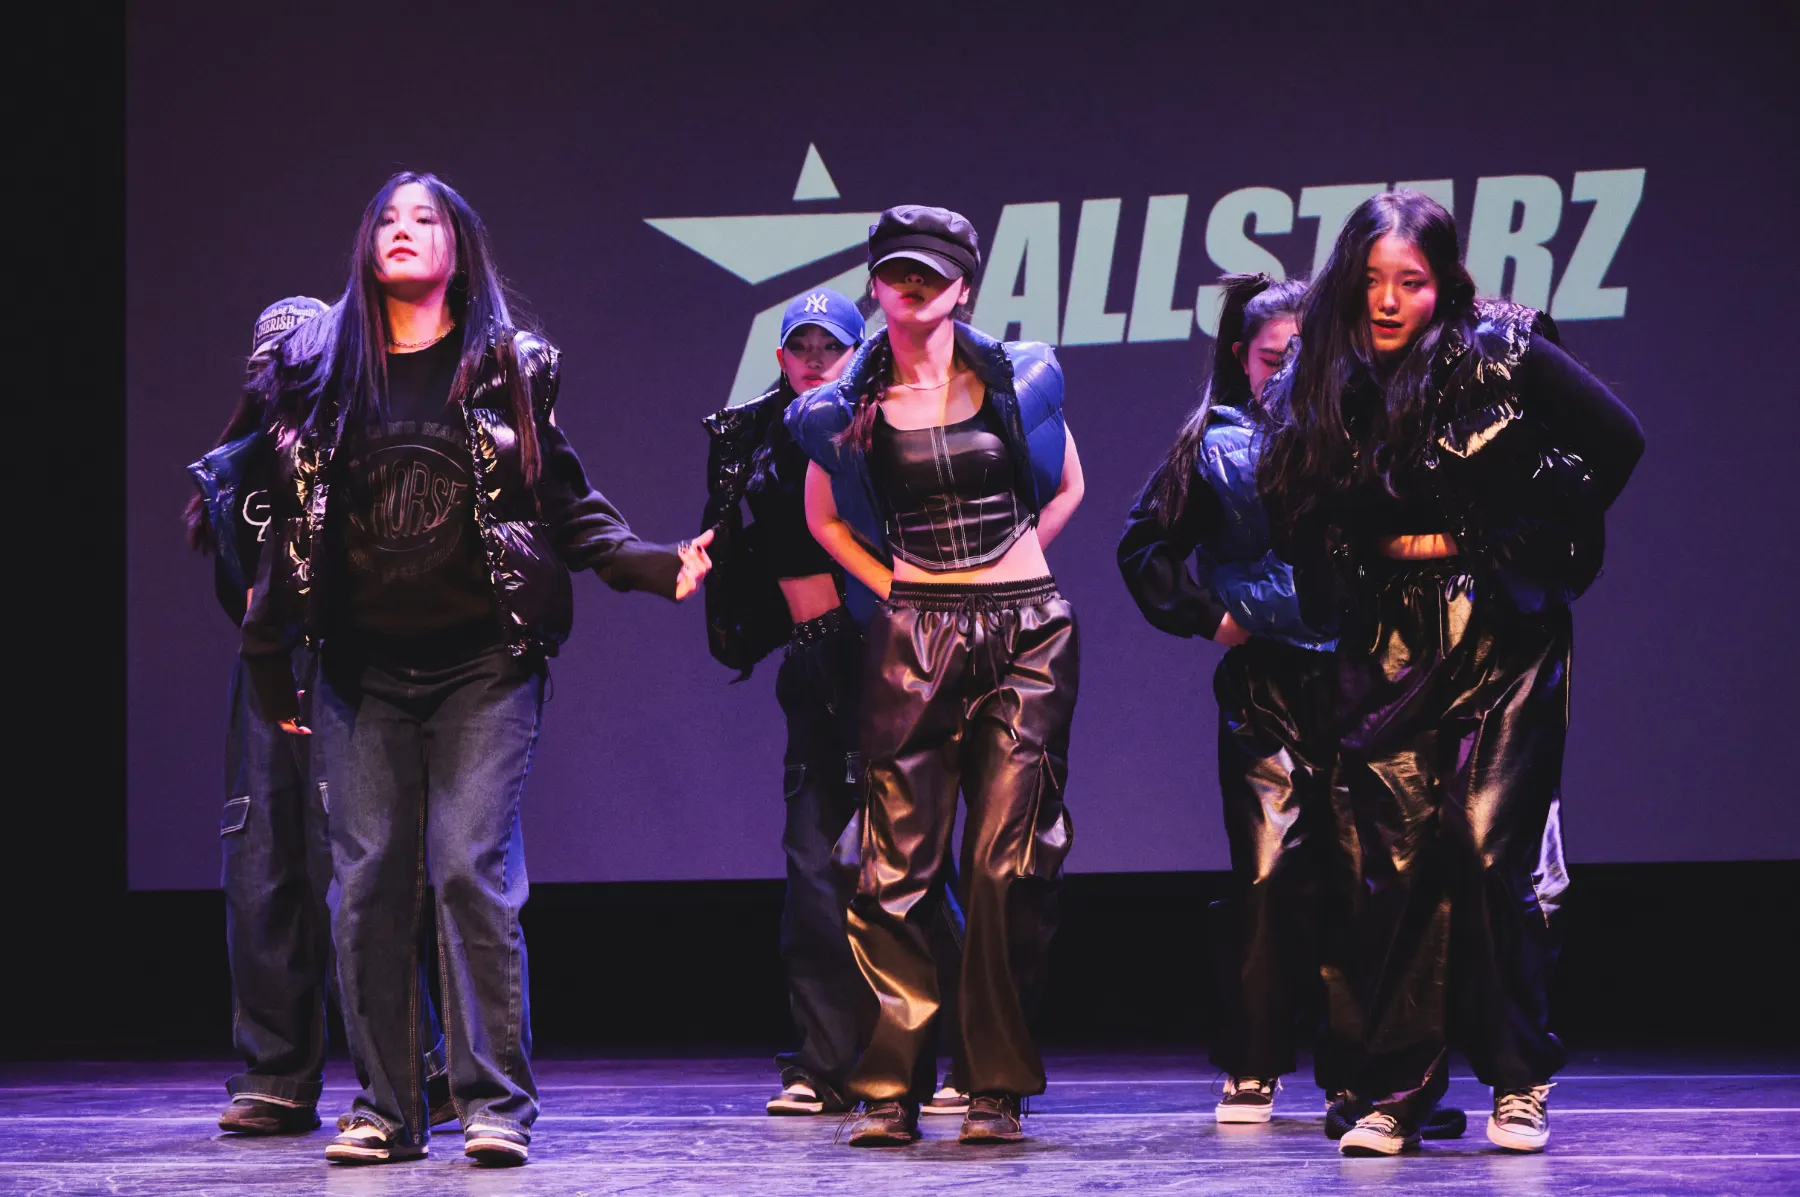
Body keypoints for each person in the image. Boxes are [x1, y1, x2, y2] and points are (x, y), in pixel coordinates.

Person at [240, 171, 713, 1167]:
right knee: (366, 887)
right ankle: (387, 1108)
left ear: (459, 248)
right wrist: (271, 653)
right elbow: (291, 522)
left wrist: (651, 564)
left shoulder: (505, 369)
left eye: (425, 219)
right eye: (387, 219)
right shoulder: (326, 373)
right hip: (361, 672)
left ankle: (494, 1105)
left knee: (466, 870)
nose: (403, 231)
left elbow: (562, 499)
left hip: (484, 667)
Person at [1256, 191, 1643, 1155]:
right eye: (1374, 280)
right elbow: (1288, 495)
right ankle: (1396, 1092)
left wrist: (1538, 535)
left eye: (1413, 282)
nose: (1390, 301)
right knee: (1388, 865)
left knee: (1483, 849)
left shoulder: (1501, 349)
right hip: (1385, 634)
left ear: (1445, 283)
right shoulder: (1320, 374)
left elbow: (1618, 438)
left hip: (1501, 625)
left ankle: (1519, 1079)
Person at [1118, 274, 1472, 1141]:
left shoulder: (1358, 432)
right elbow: (1144, 543)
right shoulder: (1212, 442)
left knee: (1367, 875)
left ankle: (1364, 1074)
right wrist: (1209, 616)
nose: (1285, 371)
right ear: (1242, 358)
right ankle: (1254, 1058)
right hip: (1267, 684)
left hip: (1368, 676)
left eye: (1302, 355)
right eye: (1271, 357)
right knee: (1269, 873)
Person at [789, 205, 1084, 1146]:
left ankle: (994, 1084)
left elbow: (1069, 484)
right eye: (897, 271)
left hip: (1027, 632)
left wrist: (1014, 573)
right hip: (914, 637)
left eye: (932, 271)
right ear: (876, 284)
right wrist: (901, 590)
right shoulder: (846, 405)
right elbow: (824, 520)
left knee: (1005, 861)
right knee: (895, 865)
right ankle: (891, 1087)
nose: (913, 286)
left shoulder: (1016, 378)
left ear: (963, 285)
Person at [702, 291, 972, 1118]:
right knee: (813, 866)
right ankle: (822, 1064)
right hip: (811, 661)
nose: (815, 359)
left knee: (912, 864)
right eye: (801, 346)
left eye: (832, 346)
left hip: (885, 651)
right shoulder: (752, 435)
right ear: (780, 356)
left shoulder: (880, 423)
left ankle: (970, 1055)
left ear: (860, 353)